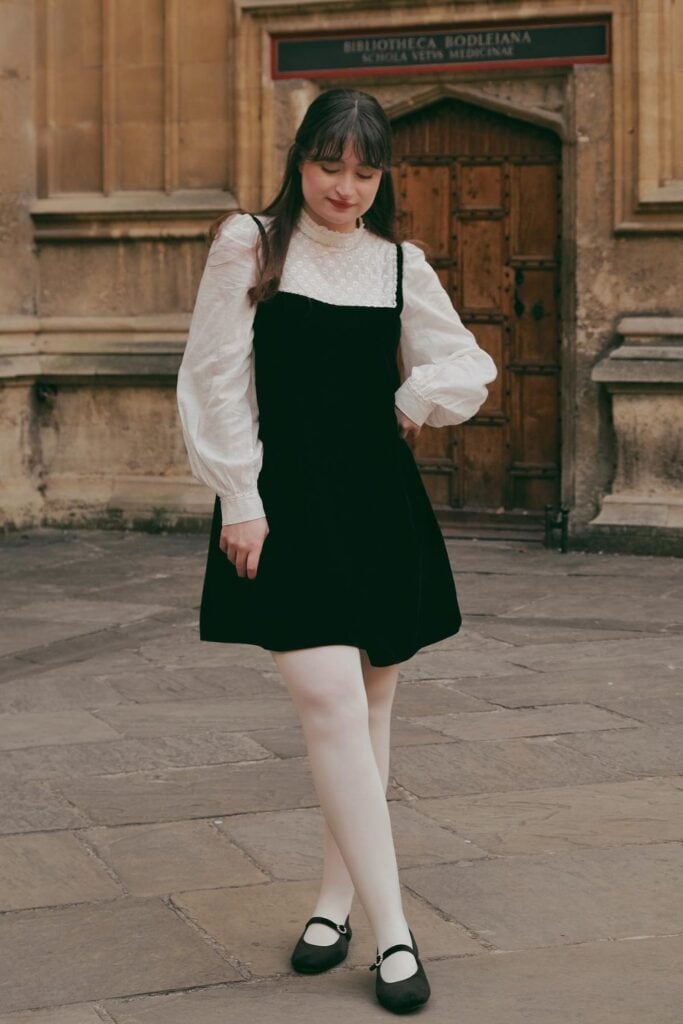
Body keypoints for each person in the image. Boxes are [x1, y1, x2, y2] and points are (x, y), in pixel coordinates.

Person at [176, 88, 496, 1013]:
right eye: (329, 166)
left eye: (364, 170)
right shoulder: (251, 242)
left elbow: (465, 359)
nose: (345, 187)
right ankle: (395, 934)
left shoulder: (399, 263)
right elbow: (214, 374)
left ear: (380, 174)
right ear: (300, 161)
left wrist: (408, 400)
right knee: (327, 704)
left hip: (377, 508)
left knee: (366, 711)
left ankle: (332, 904)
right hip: (284, 506)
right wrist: (239, 495)